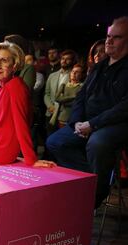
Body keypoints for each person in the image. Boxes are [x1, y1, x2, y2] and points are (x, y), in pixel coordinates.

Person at [46, 16, 128, 209]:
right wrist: (76, 122)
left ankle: (93, 197)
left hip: (114, 124)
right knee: (55, 142)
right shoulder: (99, 67)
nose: (109, 41)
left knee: (97, 143)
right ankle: (89, 181)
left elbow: (124, 107)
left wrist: (93, 125)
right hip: (88, 122)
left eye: (116, 37)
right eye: (109, 36)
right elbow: (81, 97)